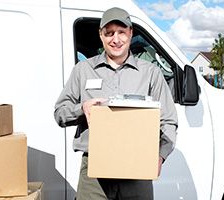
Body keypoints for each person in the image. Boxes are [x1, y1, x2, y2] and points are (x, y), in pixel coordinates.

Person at [54, 7, 178, 200]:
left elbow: (168, 120)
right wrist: (81, 108)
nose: (116, 39)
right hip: (95, 171)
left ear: (130, 33)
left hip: (137, 168)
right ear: (101, 35)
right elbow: (59, 113)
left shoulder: (151, 73)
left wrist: (160, 155)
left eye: (121, 32)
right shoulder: (83, 70)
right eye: (109, 33)